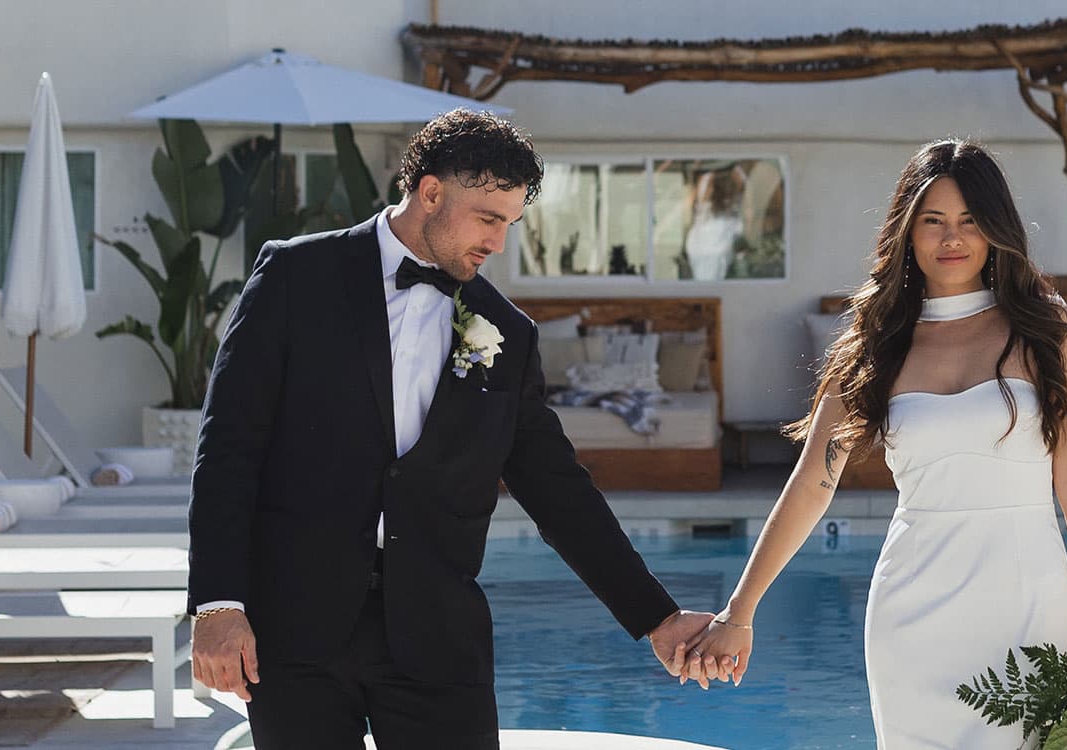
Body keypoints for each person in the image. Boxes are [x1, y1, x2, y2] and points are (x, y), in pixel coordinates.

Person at [186, 108, 714, 748]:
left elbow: (558, 491)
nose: (497, 243)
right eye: (488, 218)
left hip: (438, 636)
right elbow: (228, 451)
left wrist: (656, 617)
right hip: (295, 628)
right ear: (430, 192)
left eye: (510, 224)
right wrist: (218, 604)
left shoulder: (508, 334)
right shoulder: (296, 278)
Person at [687, 139, 1067, 748]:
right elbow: (813, 484)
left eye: (969, 221)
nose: (951, 238)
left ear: (995, 229)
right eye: (933, 221)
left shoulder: (1045, 330)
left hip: (1028, 604)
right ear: (907, 229)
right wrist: (738, 611)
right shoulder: (879, 341)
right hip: (912, 611)